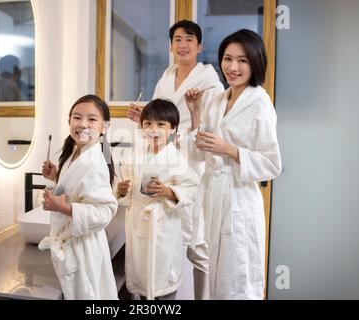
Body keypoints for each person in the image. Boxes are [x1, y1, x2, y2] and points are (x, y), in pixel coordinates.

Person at [127, 20, 224, 300]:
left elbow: (211, 127)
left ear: (199, 46)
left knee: (196, 241)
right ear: (170, 46)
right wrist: (142, 119)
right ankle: (159, 294)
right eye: (177, 39)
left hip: (191, 162)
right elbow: (159, 119)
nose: (182, 45)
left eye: (189, 39)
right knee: (167, 239)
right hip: (163, 161)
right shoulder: (166, 77)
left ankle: (202, 298)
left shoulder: (209, 81)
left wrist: (187, 126)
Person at [185, 29, 282, 299]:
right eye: (227, 59)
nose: (232, 67)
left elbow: (272, 164)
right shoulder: (218, 100)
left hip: (239, 202)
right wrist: (195, 114)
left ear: (255, 62)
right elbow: (199, 152)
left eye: (242, 60)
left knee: (239, 279)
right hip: (214, 198)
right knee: (217, 280)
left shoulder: (260, 103)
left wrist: (229, 150)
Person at [117, 99, 199, 300]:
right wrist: (121, 190)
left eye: (161, 124)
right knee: (143, 280)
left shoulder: (177, 158)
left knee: (162, 281)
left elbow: (192, 187)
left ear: (172, 129)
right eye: (148, 124)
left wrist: (169, 192)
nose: (153, 129)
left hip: (162, 225)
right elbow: (125, 186)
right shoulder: (135, 155)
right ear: (142, 127)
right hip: (138, 224)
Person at [38, 94, 118, 300]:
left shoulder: (95, 162)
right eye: (77, 117)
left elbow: (105, 211)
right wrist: (57, 176)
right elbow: (78, 189)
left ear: (105, 127)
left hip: (84, 247)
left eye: (92, 119)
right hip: (73, 243)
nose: (83, 124)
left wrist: (62, 208)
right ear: (69, 122)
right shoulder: (75, 152)